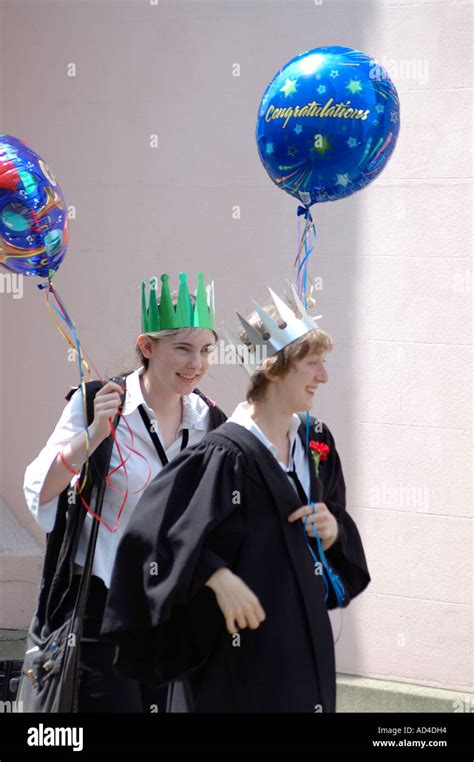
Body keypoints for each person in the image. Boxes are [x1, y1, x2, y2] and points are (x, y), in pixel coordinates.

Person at [101, 283, 371, 713]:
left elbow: (335, 532)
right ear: (275, 369)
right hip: (237, 669)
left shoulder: (314, 441)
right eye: (313, 363)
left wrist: (335, 529)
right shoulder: (223, 455)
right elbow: (152, 536)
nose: (324, 376)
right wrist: (214, 575)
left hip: (302, 656)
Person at [23, 272, 227, 712]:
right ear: (148, 347)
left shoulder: (209, 421)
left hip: (171, 609)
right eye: (183, 348)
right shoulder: (96, 401)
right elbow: (40, 490)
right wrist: (94, 435)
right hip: (102, 605)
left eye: (205, 350)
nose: (197, 363)